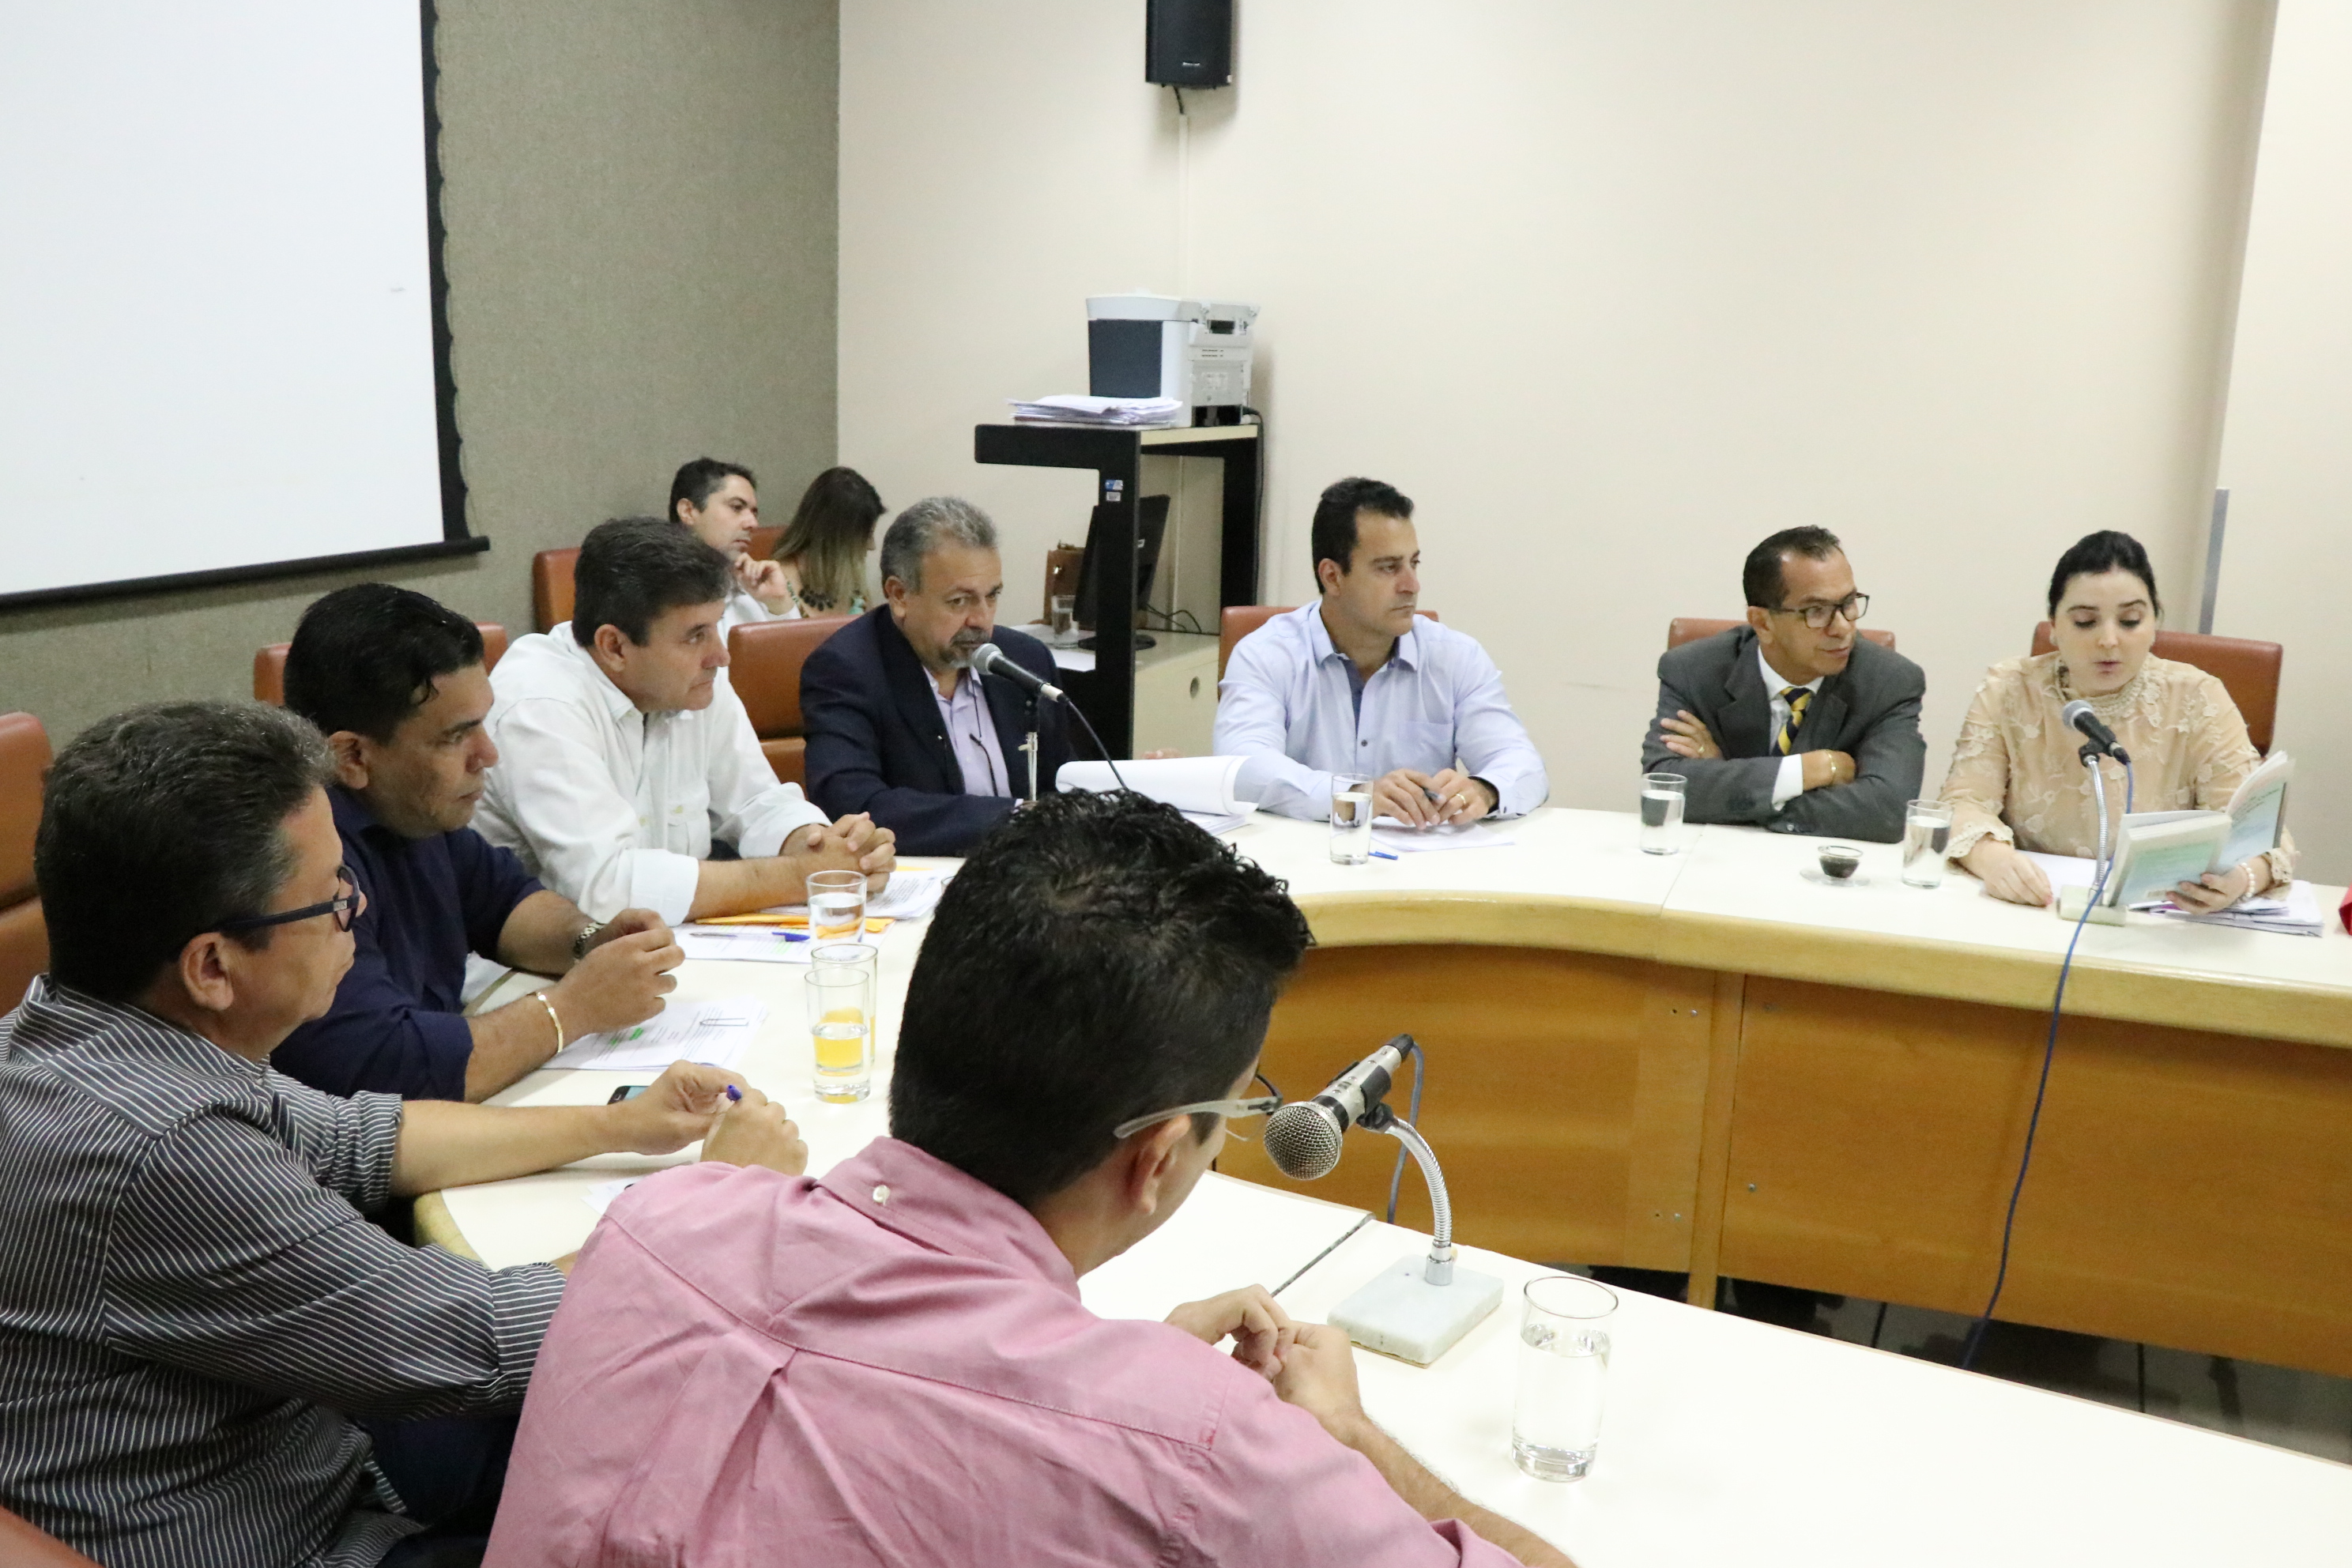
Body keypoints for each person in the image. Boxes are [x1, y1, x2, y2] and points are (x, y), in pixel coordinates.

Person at [484, 791, 1570, 1568]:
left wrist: (1130, 1389)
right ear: (1157, 1159)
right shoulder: (1207, 1454)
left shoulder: (658, 1223)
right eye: (1238, 1111)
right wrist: (1343, 1438)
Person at [0, 700, 808, 1568]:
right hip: (297, 1536)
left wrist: (622, 1123)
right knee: (721, 1487)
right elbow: (483, 1341)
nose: (356, 909)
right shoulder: (169, 1150)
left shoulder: (81, 1037)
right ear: (212, 966)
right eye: (330, 898)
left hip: (306, 1445)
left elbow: (369, 1138)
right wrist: (716, 1200)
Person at [271, 583, 683, 1102]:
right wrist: (575, 1008)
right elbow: (386, 1070)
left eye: (483, 724)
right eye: (454, 737)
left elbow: (506, 904)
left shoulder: (413, 808)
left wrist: (590, 940)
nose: (488, 754)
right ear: (352, 757)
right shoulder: (296, 864)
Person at [477, 518, 895, 923]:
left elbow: (755, 802)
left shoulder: (694, 678)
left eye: (716, 627)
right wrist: (803, 876)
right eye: (695, 635)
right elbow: (607, 888)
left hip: (671, 944)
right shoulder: (539, 703)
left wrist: (823, 847)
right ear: (615, 647)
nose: (721, 655)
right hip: (537, 961)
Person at [1943, 530, 2294, 908]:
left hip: (2161, 914)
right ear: (2054, 626)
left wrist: (2240, 879)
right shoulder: (2010, 689)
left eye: (2129, 621)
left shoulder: (2197, 697)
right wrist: (1993, 860)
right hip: (2035, 905)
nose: (2109, 640)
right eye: (2085, 622)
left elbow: (2260, 835)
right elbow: (1964, 803)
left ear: (2154, 623)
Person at [1215, 477, 1547, 826]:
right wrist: (1355, 796)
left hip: (1420, 855)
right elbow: (1242, 767)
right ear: (1332, 577)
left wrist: (1485, 790)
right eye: (1389, 568)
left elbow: (1523, 765)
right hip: (1296, 854)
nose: (1412, 585)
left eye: (1414, 564)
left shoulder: (1456, 657)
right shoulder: (1266, 654)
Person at [800, 496, 1074, 854]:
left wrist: (1129, 785)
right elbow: (853, 804)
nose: (981, 619)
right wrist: (1013, 818)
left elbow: (1065, 780)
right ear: (900, 595)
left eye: (992, 596)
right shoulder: (846, 670)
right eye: (959, 601)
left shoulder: (1025, 659)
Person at [1642, 525, 1925, 842]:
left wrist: (1730, 788)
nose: (1843, 627)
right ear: (1762, 623)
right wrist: (1812, 769)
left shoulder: (1890, 682)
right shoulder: (1694, 670)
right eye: (1816, 611)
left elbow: (1886, 812)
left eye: (1848, 603)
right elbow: (1662, 791)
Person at [669, 456, 796, 634]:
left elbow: (800, 652)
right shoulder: (654, 596)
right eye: (736, 507)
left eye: (754, 513)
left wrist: (779, 606)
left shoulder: (756, 593)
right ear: (688, 512)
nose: (753, 523)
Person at [771, 463, 884, 615]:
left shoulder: (853, 583)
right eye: (867, 535)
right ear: (836, 539)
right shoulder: (775, 588)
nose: (872, 546)